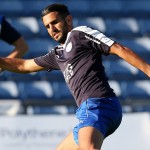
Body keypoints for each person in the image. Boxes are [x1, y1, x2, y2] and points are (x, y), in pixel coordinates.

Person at [0, 3, 150, 150]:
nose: (52, 29)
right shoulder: (57, 54)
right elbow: (24, 66)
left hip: (98, 104)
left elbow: (118, 48)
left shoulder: (79, 34)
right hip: (90, 111)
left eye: (55, 22)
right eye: (47, 26)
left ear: (68, 20)